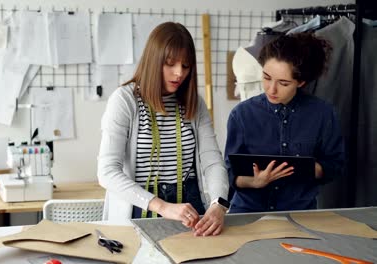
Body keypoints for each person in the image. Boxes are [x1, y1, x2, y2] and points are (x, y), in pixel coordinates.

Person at [97, 22, 229, 236]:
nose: (179, 73)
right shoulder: (124, 100)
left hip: (190, 206)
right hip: (140, 205)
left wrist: (218, 204)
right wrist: (162, 206)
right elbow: (107, 173)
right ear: (153, 61)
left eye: (185, 66)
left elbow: (212, 161)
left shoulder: (195, 103)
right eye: (170, 64)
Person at [224, 33, 345, 213]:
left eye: (283, 83)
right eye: (266, 77)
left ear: (301, 82)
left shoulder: (323, 114)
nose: (271, 89)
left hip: (300, 214)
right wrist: (255, 182)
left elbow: (335, 166)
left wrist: (311, 169)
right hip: (247, 213)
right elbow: (230, 173)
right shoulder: (241, 115)